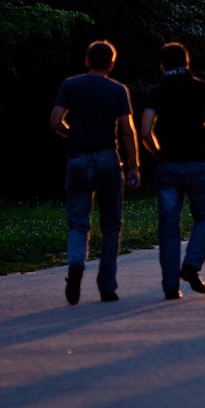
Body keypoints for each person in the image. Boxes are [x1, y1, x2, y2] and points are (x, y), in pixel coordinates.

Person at [49, 40, 139, 306]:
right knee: (111, 225)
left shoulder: (70, 85)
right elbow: (126, 130)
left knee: (78, 223)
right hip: (107, 160)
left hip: (77, 159)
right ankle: (107, 286)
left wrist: (70, 133)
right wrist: (133, 166)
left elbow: (54, 121)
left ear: (87, 61)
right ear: (111, 64)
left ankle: (76, 264)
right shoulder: (118, 90)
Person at [140, 42, 205, 300]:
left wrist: (157, 152)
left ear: (162, 65)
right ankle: (191, 265)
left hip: (168, 165)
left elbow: (144, 131)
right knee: (203, 216)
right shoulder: (199, 88)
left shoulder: (156, 92)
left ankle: (170, 286)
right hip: (196, 163)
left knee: (168, 226)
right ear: (187, 63)